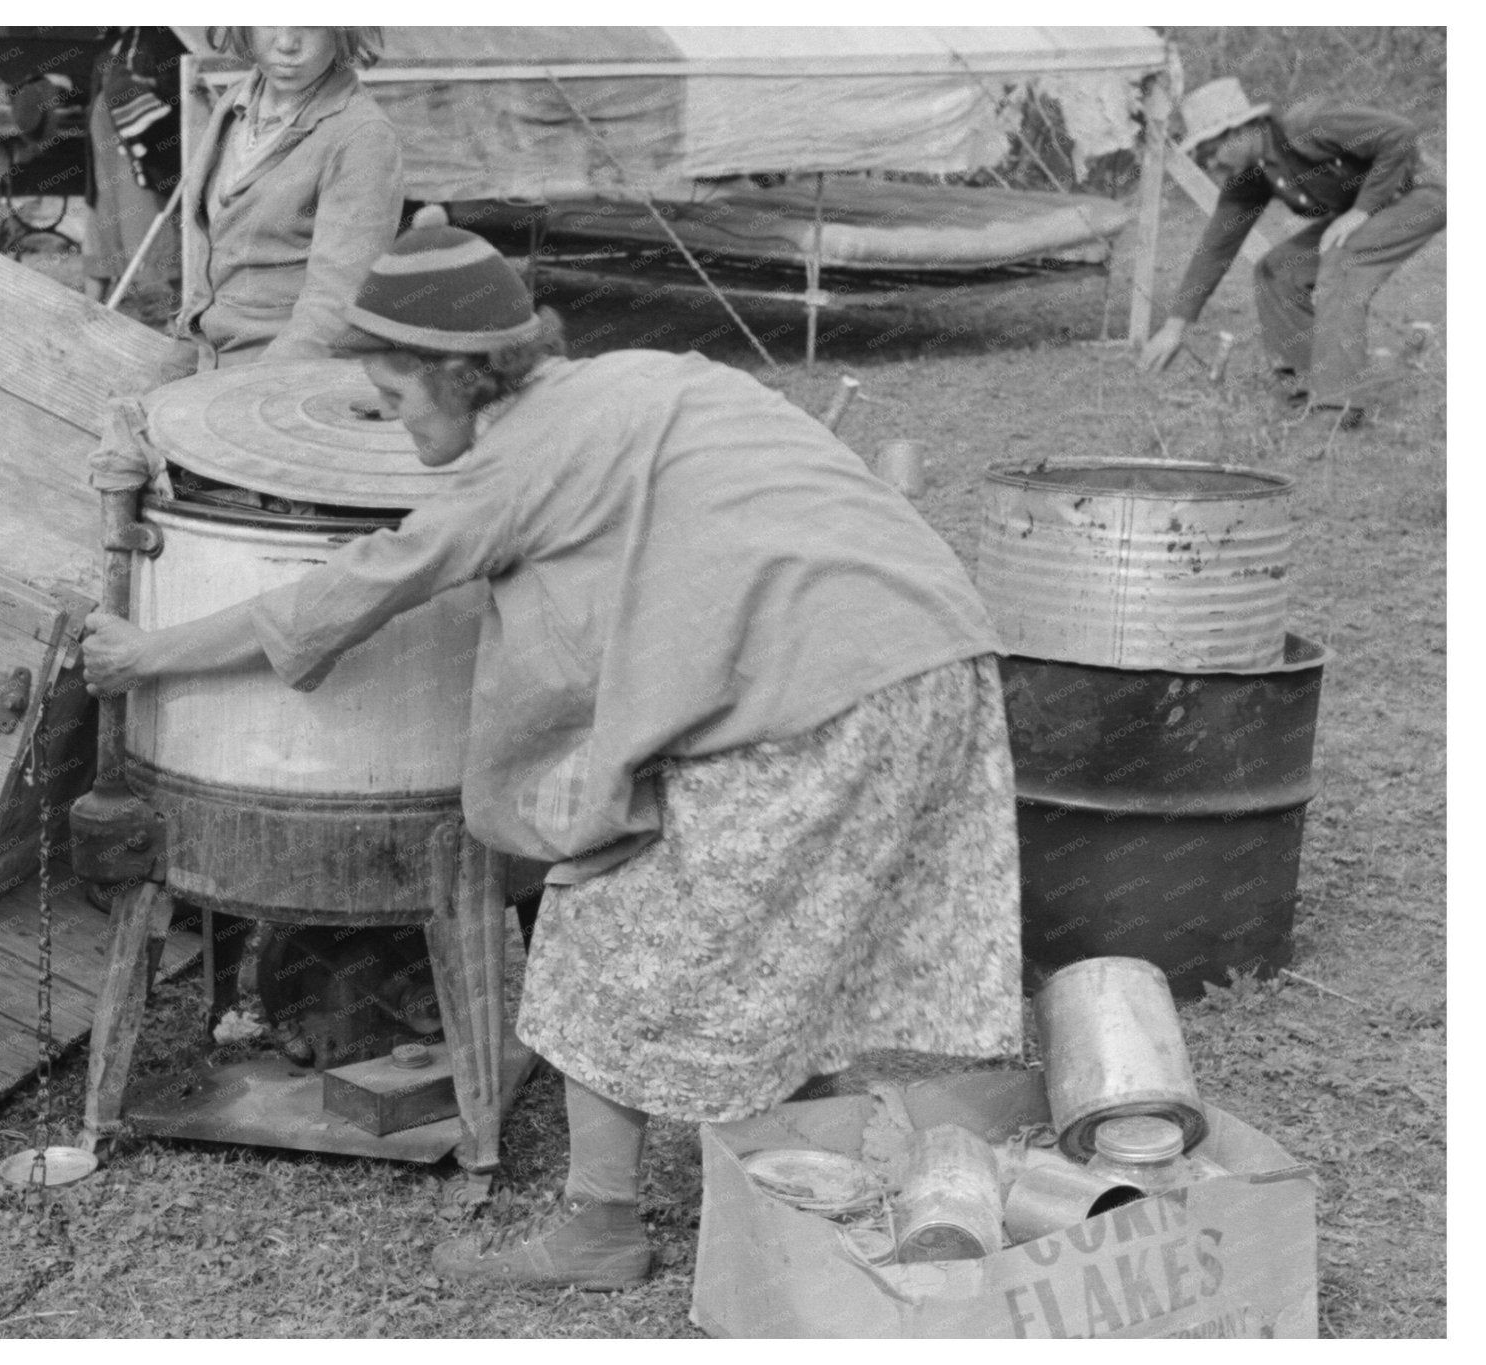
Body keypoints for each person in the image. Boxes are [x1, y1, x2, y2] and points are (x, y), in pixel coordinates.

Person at [80, 211, 1022, 1290]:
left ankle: (600, 1230)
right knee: (791, 941)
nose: (392, 426)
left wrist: (145, 654)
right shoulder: (652, 378)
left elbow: (339, 598)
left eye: (394, 401)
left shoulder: (508, 473)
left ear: (460, 375)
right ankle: (814, 1181)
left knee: (596, 924)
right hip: (937, 663)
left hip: (818, 704)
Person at [1137, 78, 1445, 428]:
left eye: (1211, 152)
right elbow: (1216, 247)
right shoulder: (1250, 176)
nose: (1210, 165)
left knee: (1343, 261)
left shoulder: (1308, 124)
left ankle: (1337, 409)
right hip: (1370, 209)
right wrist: (1175, 327)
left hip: (1417, 194)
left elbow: (1400, 134)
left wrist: (1361, 211)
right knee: (1278, 269)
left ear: (1242, 130)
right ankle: (1306, 388)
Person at [171, 26, 404, 370]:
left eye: (309, 23)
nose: (286, 44)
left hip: (283, 379)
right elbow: (211, 260)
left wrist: (247, 395)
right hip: (208, 363)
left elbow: (334, 306)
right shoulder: (237, 102)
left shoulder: (363, 137)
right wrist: (178, 359)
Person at [82, 26, 188, 316]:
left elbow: (176, 96)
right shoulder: (112, 45)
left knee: (154, 236)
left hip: (139, 160)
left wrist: (137, 90)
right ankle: (89, 313)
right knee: (102, 235)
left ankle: (176, 316)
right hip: (105, 163)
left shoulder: (161, 38)